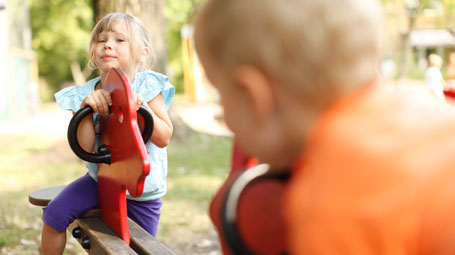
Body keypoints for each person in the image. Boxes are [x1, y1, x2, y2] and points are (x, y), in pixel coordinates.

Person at [194, 0, 455, 254]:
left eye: (222, 95)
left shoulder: (330, 199)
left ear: (253, 97)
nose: (226, 118)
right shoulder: (422, 107)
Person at [41, 13, 174, 254]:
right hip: (100, 181)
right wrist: (86, 109)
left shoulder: (148, 86)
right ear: (93, 52)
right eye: (101, 40)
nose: (108, 44)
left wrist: (141, 109)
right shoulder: (85, 94)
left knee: (132, 249)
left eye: (119, 40)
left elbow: (163, 137)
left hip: (141, 190)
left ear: (142, 53)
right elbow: (86, 146)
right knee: (54, 214)